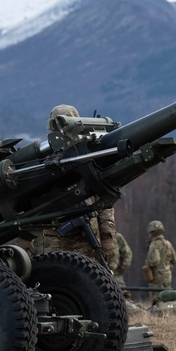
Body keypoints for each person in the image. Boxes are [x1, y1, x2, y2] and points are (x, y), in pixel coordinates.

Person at [33, 104, 116, 265]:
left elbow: (105, 201)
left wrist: (107, 240)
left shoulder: (89, 155)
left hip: (86, 239)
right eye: (57, 126)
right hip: (52, 240)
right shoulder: (43, 158)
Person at [143, 219, 176, 291]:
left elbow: (154, 261)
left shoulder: (154, 245)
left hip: (156, 278)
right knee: (167, 296)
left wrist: (147, 263)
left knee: (156, 298)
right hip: (168, 276)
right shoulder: (168, 244)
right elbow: (174, 259)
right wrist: (168, 267)